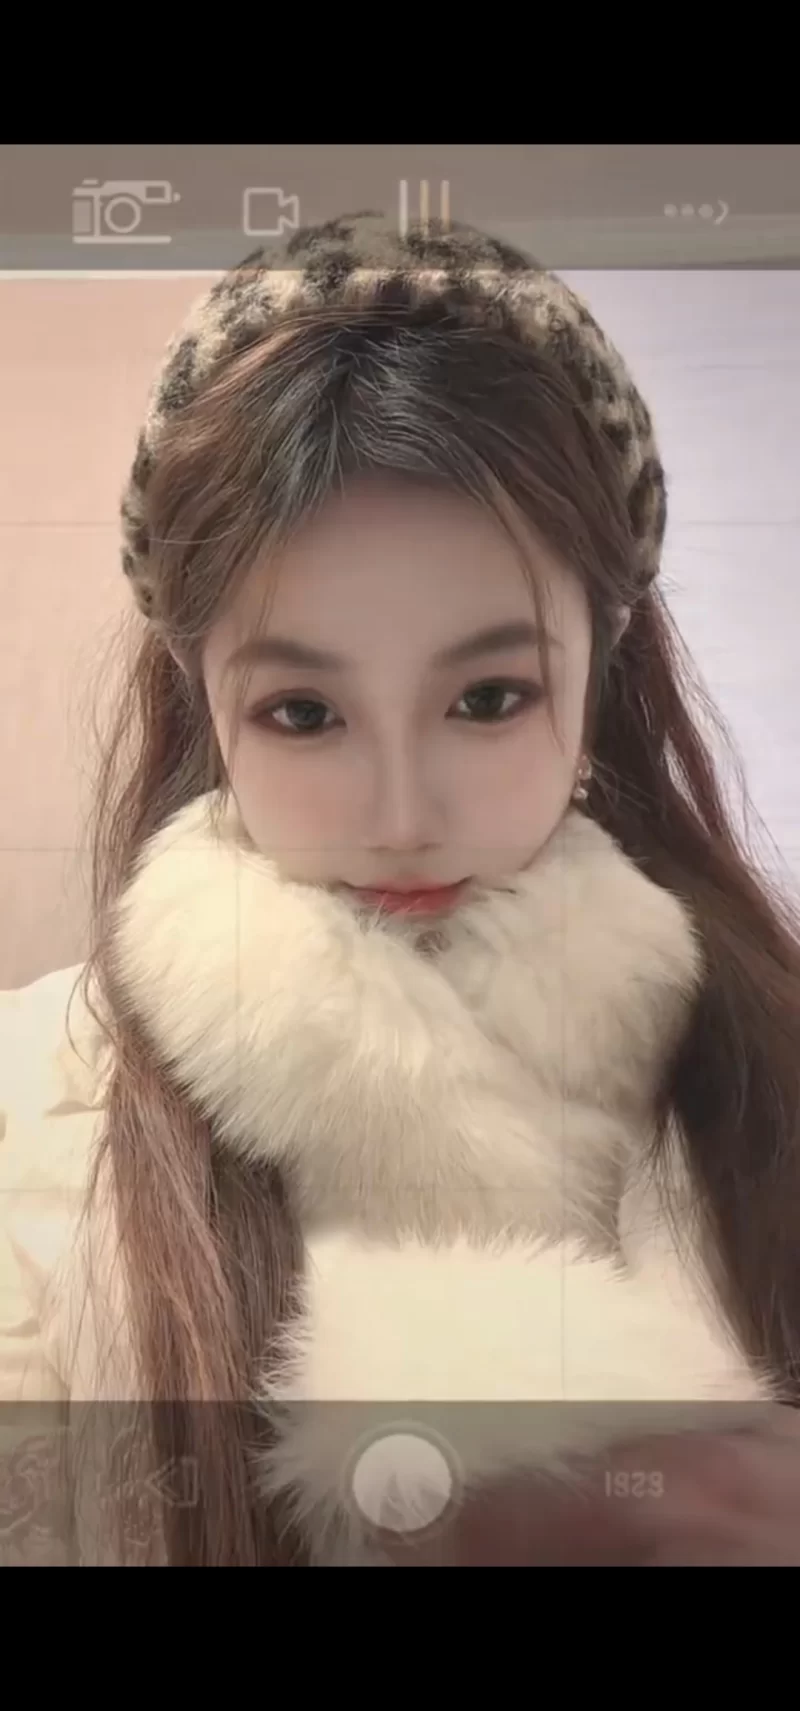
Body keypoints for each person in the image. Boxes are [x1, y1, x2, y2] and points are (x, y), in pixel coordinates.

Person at [2, 211, 800, 1567]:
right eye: (304, 712)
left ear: (600, 676)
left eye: (488, 697)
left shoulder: (764, 1058)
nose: (401, 818)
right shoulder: (29, 1112)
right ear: (205, 701)